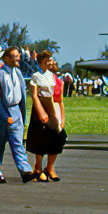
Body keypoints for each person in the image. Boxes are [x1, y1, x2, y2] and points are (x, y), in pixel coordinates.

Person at [0, 48, 32, 183]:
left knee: (18, 143)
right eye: (15, 56)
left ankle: (25, 171)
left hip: (16, 112)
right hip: (2, 114)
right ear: (6, 58)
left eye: (18, 56)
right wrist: (5, 116)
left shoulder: (18, 73)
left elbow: (23, 97)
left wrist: (22, 116)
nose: (18, 59)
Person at [27, 51, 68, 181]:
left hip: (51, 108)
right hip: (40, 108)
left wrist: (61, 117)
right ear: (41, 61)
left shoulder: (52, 77)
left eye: (50, 60)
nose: (49, 62)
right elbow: (34, 96)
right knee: (40, 138)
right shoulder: (36, 76)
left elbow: (58, 98)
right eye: (47, 60)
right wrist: (41, 113)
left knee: (58, 137)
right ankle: (38, 168)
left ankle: (49, 168)